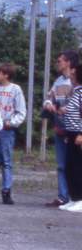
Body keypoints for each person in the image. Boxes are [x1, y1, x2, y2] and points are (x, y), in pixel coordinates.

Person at [43, 51, 80, 206]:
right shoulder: (58, 81)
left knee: (76, 164)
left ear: (69, 63)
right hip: (60, 128)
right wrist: (49, 104)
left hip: (75, 130)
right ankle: (63, 196)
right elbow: (48, 98)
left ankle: (76, 197)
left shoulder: (77, 81)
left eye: (60, 60)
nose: (57, 63)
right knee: (61, 165)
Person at [0, 63, 27, 205]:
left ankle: (6, 191)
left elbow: (21, 112)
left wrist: (11, 123)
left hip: (6, 129)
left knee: (6, 162)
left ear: (6, 75)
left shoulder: (15, 89)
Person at [55, 57, 82, 212]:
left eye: (73, 75)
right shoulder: (75, 91)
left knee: (78, 167)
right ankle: (74, 197)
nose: (70, 77)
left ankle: (80, 198)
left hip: (78, 134)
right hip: (70, 133)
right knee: (69, 167)